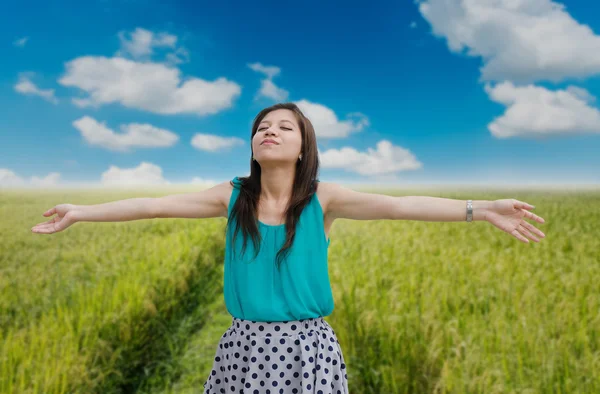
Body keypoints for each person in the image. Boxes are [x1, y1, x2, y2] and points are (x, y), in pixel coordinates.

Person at [31, 102, 547, 393]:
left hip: (309, 350)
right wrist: (81, 212)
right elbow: (151, 205)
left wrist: (481, 208)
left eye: (283, 127)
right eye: (261, 127)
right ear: (252, 147)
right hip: (244, 348)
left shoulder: (325, 199)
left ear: (304, 147)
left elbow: (399, 204)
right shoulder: (232, 197)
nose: (269, 132)